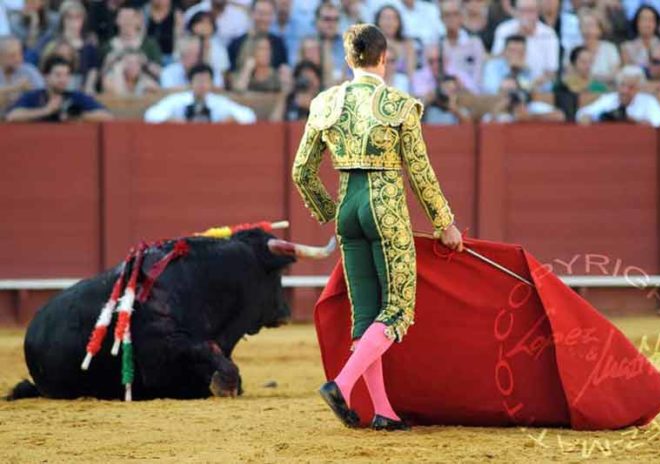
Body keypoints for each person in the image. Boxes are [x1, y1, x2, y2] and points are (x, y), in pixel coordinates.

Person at [291, 23, 464, 431]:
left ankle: (383, 411)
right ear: (384, 58)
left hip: (347, 207)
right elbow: (420, 172)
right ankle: (342, 384)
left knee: (366, 313)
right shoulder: (400, 105)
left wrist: (330, 210)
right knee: (398, 309)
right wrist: (445, 223)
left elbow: (302, 171)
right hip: (384, 206)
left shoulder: (325, 103)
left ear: (348, 59)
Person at [5, 55, 112, 122]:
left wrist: (77, 115)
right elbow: (12, 116)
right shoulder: (35, 97)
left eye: (66, 75)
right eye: (58, 75)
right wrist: (45, 111)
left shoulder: (75, 97)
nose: (63, 79)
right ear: (46, 76)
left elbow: (107, 116)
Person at [144, 63, 256, 123]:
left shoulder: (219, 102)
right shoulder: (178, 100)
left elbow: (249, 116)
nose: (202, 85)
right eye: (198, 81)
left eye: (206, 81)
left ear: (211, 83)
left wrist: (230, 118)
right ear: (190, 83)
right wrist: (170, 119)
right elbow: (150, 115)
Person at [491, 0, 560, 91]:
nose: (527, 15)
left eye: (531, 11)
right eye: (522, 11)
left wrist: (530, 85)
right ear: (515, 11)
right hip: (505, 84)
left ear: (538, 11)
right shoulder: (504, 30)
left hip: (537, 87)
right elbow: (495, 60)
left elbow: (551, 71)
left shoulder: (549, 34)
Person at [575, 64, 660, 127]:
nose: (625, 91)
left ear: (639, 89)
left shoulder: (648, 101)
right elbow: (582, 114)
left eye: (631, 87)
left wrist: (635, 122)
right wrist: (587, 117)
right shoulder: (609, 99)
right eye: (622, 85)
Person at [0, 35, 44, 111]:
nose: (18, 59)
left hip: (24, 119)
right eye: (12, 56)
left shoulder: (29, 70)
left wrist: (30, 91)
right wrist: (16, 87)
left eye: (20, 54)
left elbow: (43, 95)